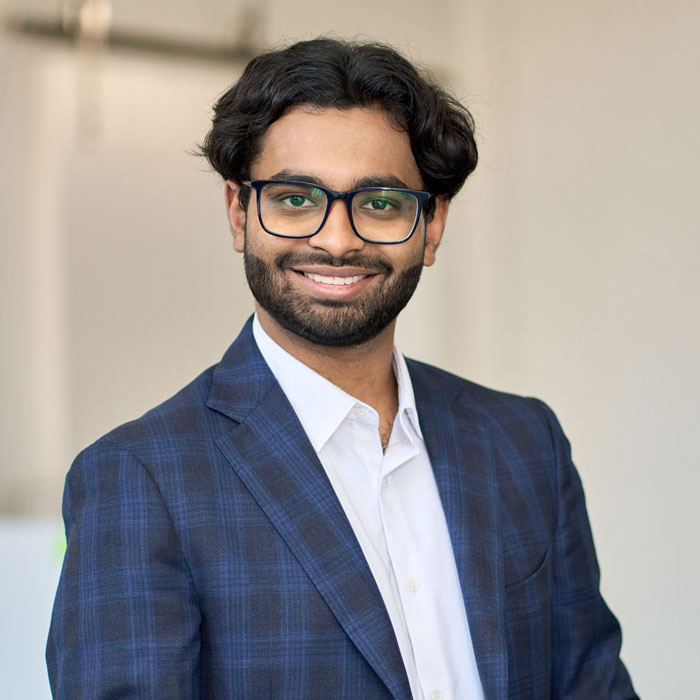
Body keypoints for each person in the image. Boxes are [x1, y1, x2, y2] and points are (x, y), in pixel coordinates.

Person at [46, 37, 638, 700]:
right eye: (295, 199)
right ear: (239, 213)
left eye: (380, 203)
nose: (336, 240)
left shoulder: (524, 443)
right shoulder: (139, 480)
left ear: (432, 225)